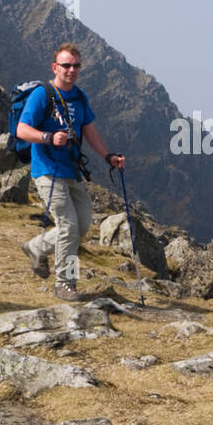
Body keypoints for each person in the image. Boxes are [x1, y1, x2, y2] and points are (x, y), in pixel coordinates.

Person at [18, 43, 125, 300]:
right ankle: (65, 284)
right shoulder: (42, 95)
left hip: (71, 170)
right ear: (55, 67)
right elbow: (22, 130)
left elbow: (90, 130)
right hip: (47, 169)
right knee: (68, 226)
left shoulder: (79, 96)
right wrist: (48, 137)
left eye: (76, 65)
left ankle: (36, 247)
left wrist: (108, 156)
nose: (72, 70)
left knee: (83, 224)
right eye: (66, 65)